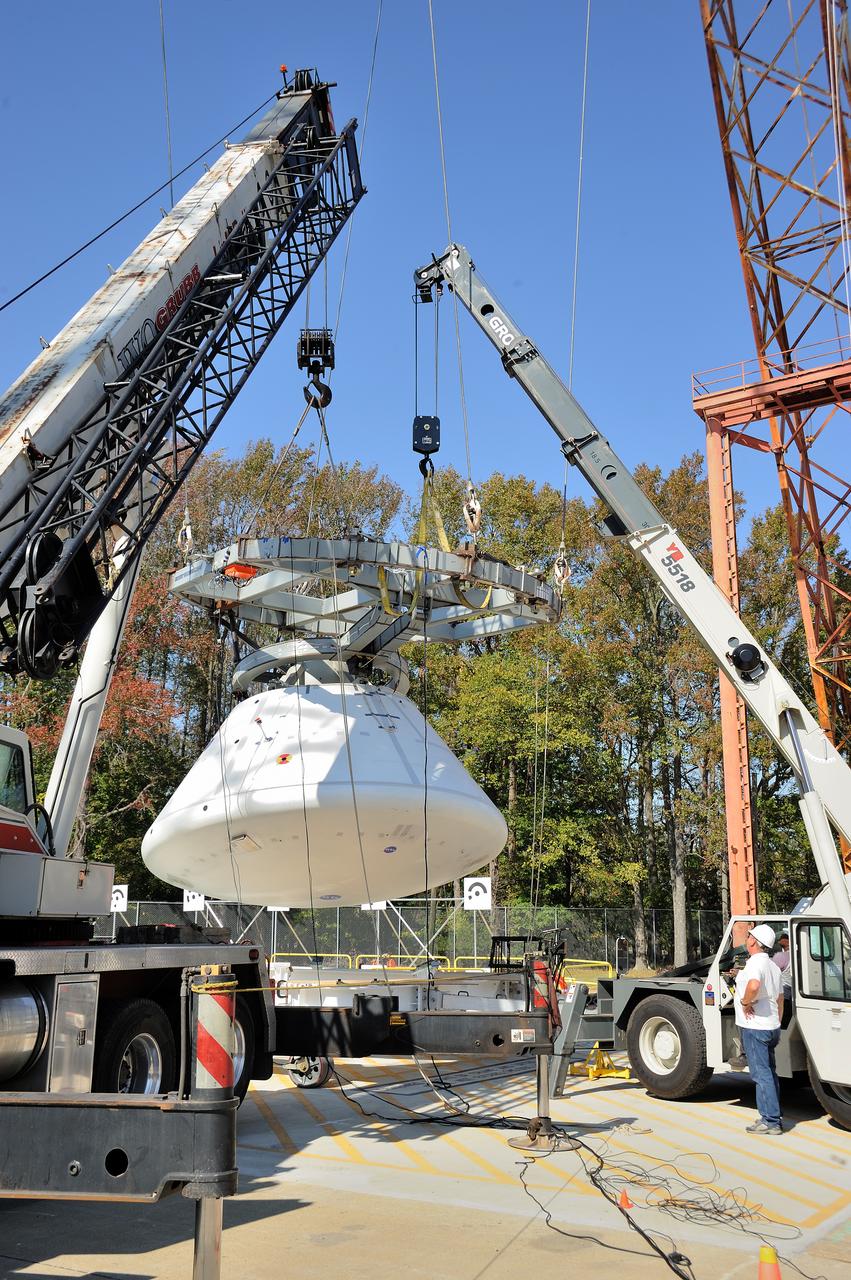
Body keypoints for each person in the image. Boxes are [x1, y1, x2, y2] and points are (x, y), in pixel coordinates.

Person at [734, 923, 784, 1134]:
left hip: (756, 1028)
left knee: (760, 1075)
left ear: (754, 942)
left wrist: (746, 1003)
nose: (747, 939)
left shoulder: (755, 963)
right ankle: (773, 1116)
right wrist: (777, 1022)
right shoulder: (772, 965)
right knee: (770, 1074)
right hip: (771, 1026)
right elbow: (780, 998)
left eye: (749, 936)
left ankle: (770, 1121)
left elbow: (753, 986)